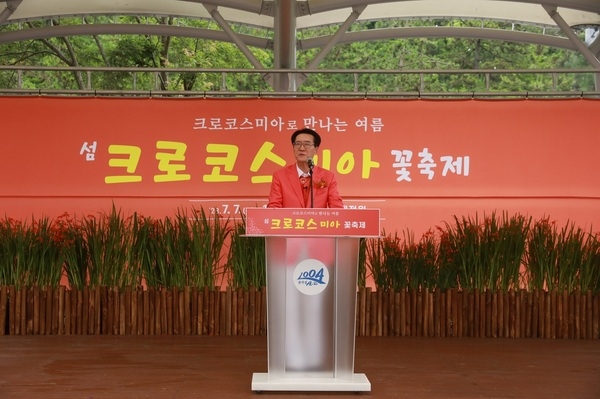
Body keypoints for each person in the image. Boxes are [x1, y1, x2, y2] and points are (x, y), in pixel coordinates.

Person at [267, 128, 343, 208]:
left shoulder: (328, 176)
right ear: (293, 148)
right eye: (297, 144)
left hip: (317, 220)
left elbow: (336, 206)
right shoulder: (280, 176)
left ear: (316, 149)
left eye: (307, 144)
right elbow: (274, 206)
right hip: (290, 220)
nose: (302, 148)